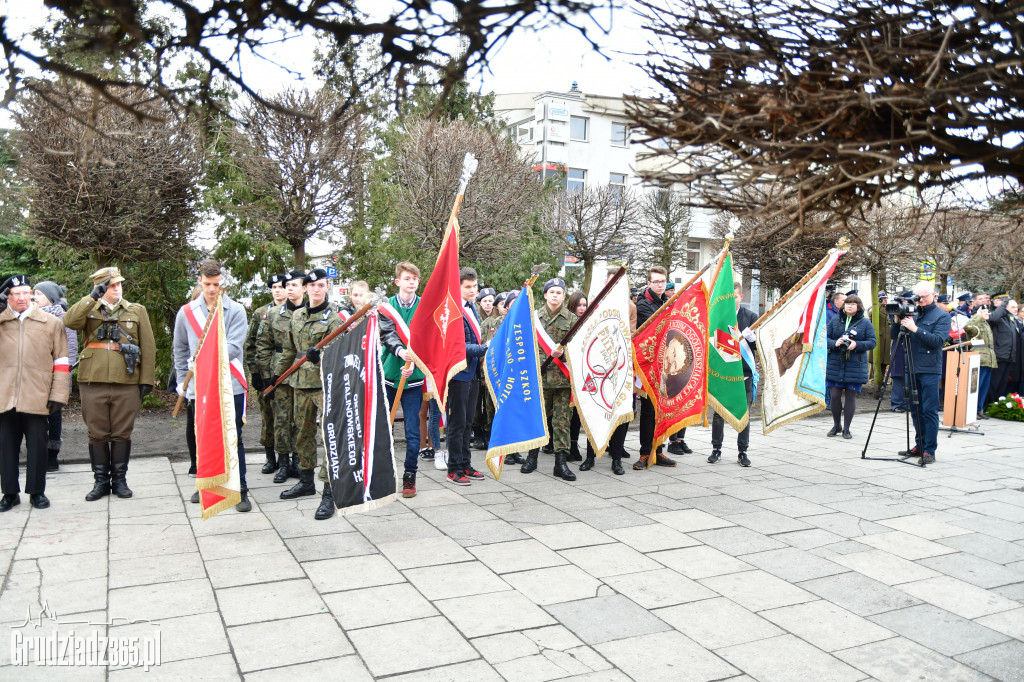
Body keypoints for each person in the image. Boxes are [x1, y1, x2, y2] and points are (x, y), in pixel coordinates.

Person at [65, 267, 156, 501]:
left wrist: (146, 380)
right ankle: (101, 482)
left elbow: (148, 346)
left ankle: (120, 480)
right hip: (92, 380)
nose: (117, 288)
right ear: (101, 287)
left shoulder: (136, 310)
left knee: (122, 432)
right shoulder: (89, 308)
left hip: (126, 380)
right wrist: (91, 297)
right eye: (111, 285)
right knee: (97, 433)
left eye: (119, 284)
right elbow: (69, 321)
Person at [174, 260, 252, 512]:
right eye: (207, 284)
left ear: (223, 283)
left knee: (234, 437)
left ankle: (240, 489)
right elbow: (181, 349)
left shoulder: (237, 310)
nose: (211, 289)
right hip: (200, 386)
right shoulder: (186, 313)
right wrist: (180, 381)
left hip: (230, 383)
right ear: (200, 281)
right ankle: (205, 484)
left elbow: (233, 348)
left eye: (216, 284)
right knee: (202, 437)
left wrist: (205, 359)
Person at [277, 268, 343, 519]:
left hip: (324, 385)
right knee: (302, 433)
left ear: (327, 288)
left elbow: (337, 355)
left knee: (328, 437)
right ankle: (306, 482)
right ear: (305, 288)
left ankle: (329, 492)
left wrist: (320, 357)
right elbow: (288, 349)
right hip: (299, 385)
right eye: (312, 285)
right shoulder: (298, 316)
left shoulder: (334, 319)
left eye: (321, 285)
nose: (316, 289)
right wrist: (276, 375)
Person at [0, 275, 70, 511]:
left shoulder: (50, 322)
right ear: (7, 297)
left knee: (38, 447)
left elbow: (61, 361)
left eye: (25, 292)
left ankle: (37, 492)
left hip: (37, 395)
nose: (21, 298)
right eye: (15, 293)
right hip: (5, 395)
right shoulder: (1, 321)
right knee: (6, 446)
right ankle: (9, 493)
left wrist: (59, 394)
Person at [522, 277, 577, 480]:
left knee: (562, 422)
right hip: (540, 379)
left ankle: (560, 463)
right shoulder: (534, 317)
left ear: (564, 296)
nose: (555, 295)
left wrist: (563, 354)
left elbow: (578, 347)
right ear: (545, 294)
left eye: (559, 292)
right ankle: (532, 456)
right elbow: (525, 346)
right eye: (551, 292)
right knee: (537, 419)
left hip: (562, 379)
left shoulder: (571, 319)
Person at [379, 262, 425, 499]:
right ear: (398, 281)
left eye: (415, 279)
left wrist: (415, 362)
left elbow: (429, 339)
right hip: (391, 374)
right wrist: (401, 354)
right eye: (407, 278)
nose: (411, 282)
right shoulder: (387, 307)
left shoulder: (425, 306)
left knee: (412, 431)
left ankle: (410, 475)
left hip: (414, 378)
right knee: (384, 428)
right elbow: (387, 334)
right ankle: (384, 474)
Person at [892, 281, 951, 464]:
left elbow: (937, 341)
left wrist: (915, 328)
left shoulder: (942, 315)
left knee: (929, 410)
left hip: (930, 369)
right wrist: (896, 320)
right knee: (915, 410)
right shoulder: (913, 312)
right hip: (912, 365)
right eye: (917, 297)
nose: (920, 301)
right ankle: (919, 445)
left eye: (923, 297)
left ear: (932, 295)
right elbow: (896, 336)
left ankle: (929, 450)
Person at [256, 270, 306, 484]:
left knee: (302, 420)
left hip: (305, 374)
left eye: (294, 284)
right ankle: (283, 463)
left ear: (304, 287)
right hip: (280, 375)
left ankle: (298, 461)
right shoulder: (273, 314)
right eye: (288, 285)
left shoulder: (310, 313)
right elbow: (262, 345)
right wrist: (267, 374)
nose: (289, 288)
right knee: (282, 420)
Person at [445, 267, 489, 485]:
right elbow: (456, 346)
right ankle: (453, 467)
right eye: (468, 287)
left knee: (468, 422)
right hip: (458, 374)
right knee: (457, 423)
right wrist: (483, 348)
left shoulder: (472, 307)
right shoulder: (453, 311)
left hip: (473, 372)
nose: (473, 290)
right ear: (458, 287)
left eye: (475, 286)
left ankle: (465, 464)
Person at [707, 281, 758, 467]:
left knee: (743, 413)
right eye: (728, 297)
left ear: (741, 297)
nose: (731, 300)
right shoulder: (719, 317)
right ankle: (716, 449)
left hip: (743, 373)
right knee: (719, 413)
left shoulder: (751, 316)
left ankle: (742, 451)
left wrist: (753, 340)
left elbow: (758, 347)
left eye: (734, 297)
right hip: (723, 373)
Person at [633, 266, 677, 468]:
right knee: (649, 411)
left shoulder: (666, 302)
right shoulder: (643, 304)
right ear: (649, 283)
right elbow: (658, 327)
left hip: (665, 364)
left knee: (662, 410)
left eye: (663, 281)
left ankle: (659, 450)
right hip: (648, 366)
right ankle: (645, 453)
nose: (660, 285)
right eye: (656, 281)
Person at [32, 281, 77, 472]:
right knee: (34, 415)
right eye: (33, 294)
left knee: (55, 415)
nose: (34, 297)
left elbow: (72, 348)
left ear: (50, 298)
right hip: (35, 376)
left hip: (56, 375)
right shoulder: (31, 316)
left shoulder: (63, 318)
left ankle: (52, 455)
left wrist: (65, 374)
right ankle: (37, 452)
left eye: (39, 294)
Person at [245, 273, 287, 476]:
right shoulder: (260, 313)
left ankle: (286, 459)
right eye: (274, 287)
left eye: (281, 286)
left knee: (288, 419)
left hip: (287, 374)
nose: (278, 290)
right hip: (266, 374)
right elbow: (251, 344)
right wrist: (255, 373)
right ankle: (270, 457)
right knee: (268, 416)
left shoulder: (297, 311)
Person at [825, 294, 876, 439]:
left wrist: (857, 345)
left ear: (858, 307)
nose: (849, 306)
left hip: (855, 364)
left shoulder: (865, 323)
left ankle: (847, 428)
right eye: (847, 303)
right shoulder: (836, 320)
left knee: (850, 397)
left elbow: (872, 342)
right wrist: (834, 343)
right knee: (834, 396)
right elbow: (824, 338)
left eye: (853, 304)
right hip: (836, 362)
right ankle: (836, 425)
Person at [566, 290, 591, 464]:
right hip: (567, 370)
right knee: (570, 412)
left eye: (584, 305)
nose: (582, 308)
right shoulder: (567, 321)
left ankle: (576, 445)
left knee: (580, 411)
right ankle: (570, 445)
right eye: (579, 305)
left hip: (585, 371)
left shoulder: (590, 321)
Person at [964, 306, 996, 420]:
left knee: (984, 386)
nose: (988, 314)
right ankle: (972, 410)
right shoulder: (975, 323)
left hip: (988, 358)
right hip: (979, 357)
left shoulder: (986, 324)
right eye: (984, 312)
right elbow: (967, 327)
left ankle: (978, 409)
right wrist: (977, 316)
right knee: (976, 385)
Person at [986, 297, 1018, 406]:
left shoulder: (1011, 319)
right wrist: (1003, 306)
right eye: (1013, 307)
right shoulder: (999, 318)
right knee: (994, 382)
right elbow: (993, 318)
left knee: (1002, 384)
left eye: (1016, 307)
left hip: (1009, 356)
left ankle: (996, 404)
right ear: (1006, 307)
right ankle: (988, 404)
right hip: (999, 356)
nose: (1015, 309)